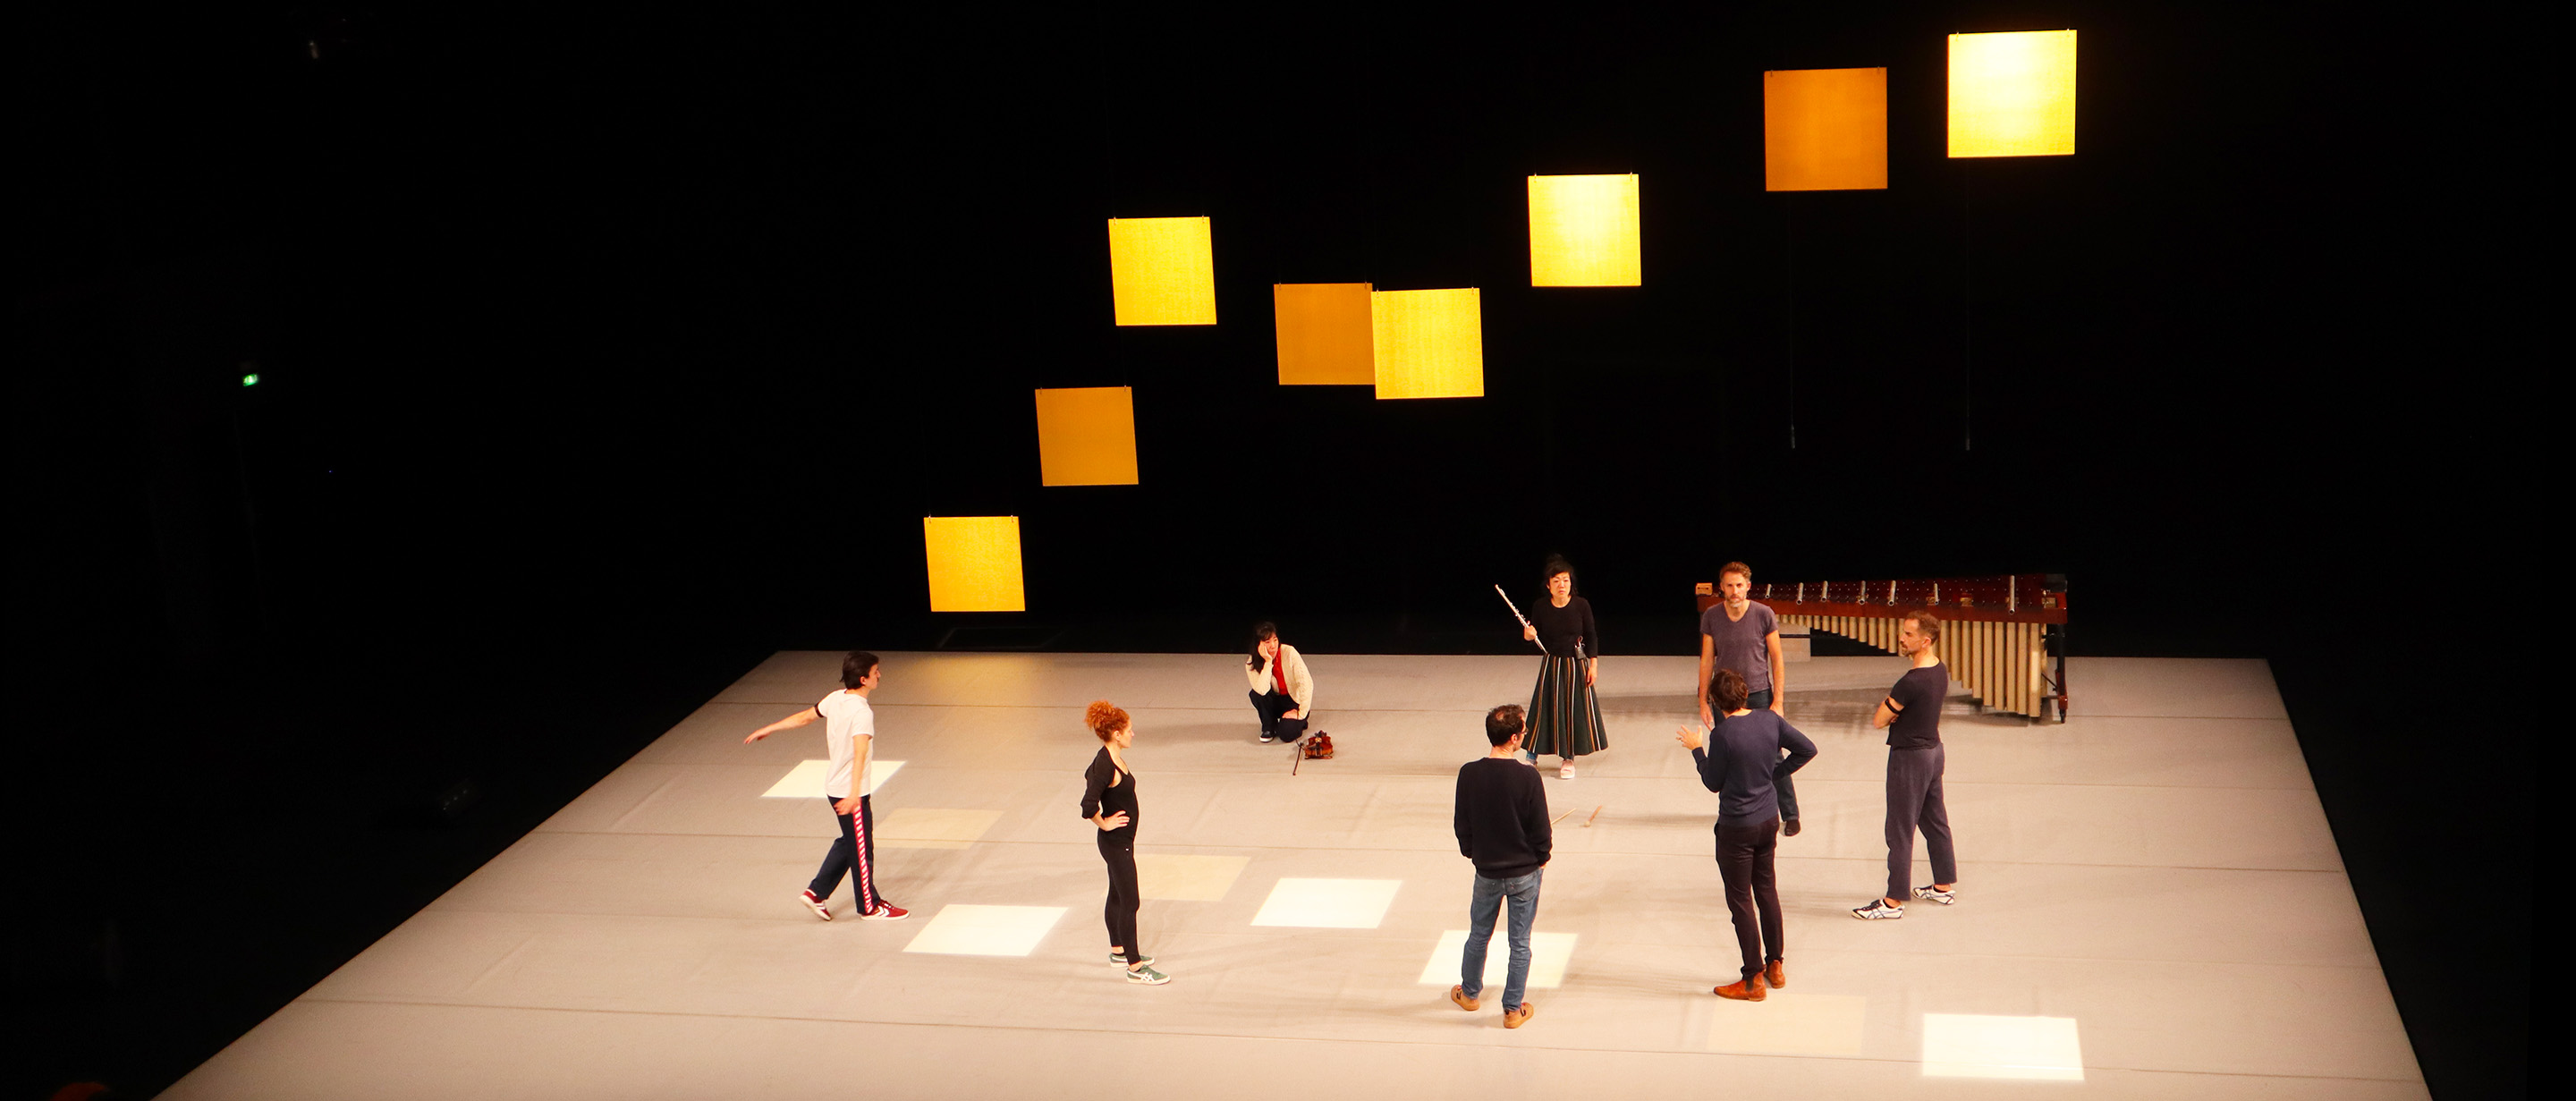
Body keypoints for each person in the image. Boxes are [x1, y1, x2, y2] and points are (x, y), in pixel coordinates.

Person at [1675, 669, 1817, 1000]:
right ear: (1744, 693)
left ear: (1716, 701)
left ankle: (1752, 979)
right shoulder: (1770, 720)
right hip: (1768, 820)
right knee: (1767, 889)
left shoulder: (1723, 736)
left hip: (1736, 828)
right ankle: (1776, 964)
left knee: (1741, 901)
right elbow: (1806, 749)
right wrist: (1774, 775)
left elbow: (1713, 782)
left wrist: (1697, 750)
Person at [744, 650, 909, 922]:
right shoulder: (861, 712)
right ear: (864, 678)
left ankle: (816, 893)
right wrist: (855, 793)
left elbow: (805, 717)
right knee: (862, 848)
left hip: (836, 787)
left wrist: (770, 728)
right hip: (848, 791)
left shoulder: (835, 698)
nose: (880, 675)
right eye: (876, 671)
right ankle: (869, 906)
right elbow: (860, 753)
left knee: (850, 842)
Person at [1853, 613, 1960, 919]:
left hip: (1910, 759)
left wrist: (1894, 715)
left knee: (1899, 830)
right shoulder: (1940, 670)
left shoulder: (1909, 682)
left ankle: (1893, 901)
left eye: (1908, 634)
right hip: (1934, 753)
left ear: (1925, 641)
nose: (1902, 638)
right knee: (1935, 821)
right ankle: (1943, 885)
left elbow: (1877, 720)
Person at [1449, 704, 1548, 1029]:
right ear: (1516, 738)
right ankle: (1512, 1009)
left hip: (1487, 871)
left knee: (1479, 933)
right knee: (1520, 942)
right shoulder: (1528, 776)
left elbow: (1461, 823)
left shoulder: (1469, 773)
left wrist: (1473, 852)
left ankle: (1470, 993)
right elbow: (1541, 829)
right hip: (1524, 873)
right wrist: (1542, 858)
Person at [1698, 562, 1801, 834]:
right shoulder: (1711, 616)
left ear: (1748, 587)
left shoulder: (1763, 614)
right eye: (1729, 585)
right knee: (1727, 755)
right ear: (1721, 587)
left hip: (1758, 694)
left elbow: (1777, 658)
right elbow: (1707, 659)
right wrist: (1702, 700)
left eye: (1739, 585)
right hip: (1724, 697)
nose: (1734, 591)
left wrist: (1777, 701)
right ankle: (1731, 812)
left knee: (1774, 756)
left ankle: (1789, 813)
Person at [1080, 700, 1171, 984]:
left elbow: (1088, 774)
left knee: (1117, 895)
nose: (1134, 734)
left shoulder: (1107, 757)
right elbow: (1087, 805)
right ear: (1116, 734)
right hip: (1117, 843)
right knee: (1131, 901)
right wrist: (1105, 821)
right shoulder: (1106, 764)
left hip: (1118, 842)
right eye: (1129, 730)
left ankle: (1118, 950)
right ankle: (1135, 967)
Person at [1521, 556, 1606, 778]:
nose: (1562, 585)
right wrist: (1528, 635)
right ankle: (1532, 754)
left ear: (1571, 584)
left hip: (1575, 665)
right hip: (1551, 663)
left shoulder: (1581, 605)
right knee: (1543, 708)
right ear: (1548, 585)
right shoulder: (1540, 606)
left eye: (1566, 580)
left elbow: (1591, 636)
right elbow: (1533, 633)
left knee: (1570, 711)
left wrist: (1593, 665)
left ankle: (1568, 757)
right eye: (1557, 580)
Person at [1244, 622, 1317, 745]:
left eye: (1275, 640)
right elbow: (1261, 691)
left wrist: (1301, 713)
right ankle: (1269, 727)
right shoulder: (1251, 662)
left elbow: (1306, 683)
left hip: (1294, 701)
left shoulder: (1289, 653)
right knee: (1255, 694)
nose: (1273, 646)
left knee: (1286, 734)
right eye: (1267, 642)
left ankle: (1301, 721)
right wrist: (1268, 662)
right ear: (1258, 645)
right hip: (1276, 700)